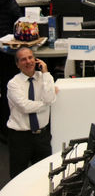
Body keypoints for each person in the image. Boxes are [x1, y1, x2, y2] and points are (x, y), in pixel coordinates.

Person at [7, 47, 57, 178]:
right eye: (23, 59)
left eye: (30, 58)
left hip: (42, 136)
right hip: (20, 138)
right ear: (17, 64)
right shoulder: (13, 84)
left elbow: (50, 98)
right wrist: (45, 104)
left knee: (44, 175)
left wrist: (45, 72)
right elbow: (25, 107)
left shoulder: (45, 78)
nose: (28, 61)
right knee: (18, 176)